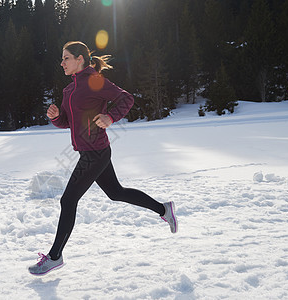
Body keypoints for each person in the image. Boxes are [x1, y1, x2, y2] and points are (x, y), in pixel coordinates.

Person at [28, 41, 178, 276]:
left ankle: (55, 256)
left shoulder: (93, 81)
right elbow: (69, 122)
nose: (62, 63)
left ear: (80, 59)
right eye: (62, 58)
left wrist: (110, 117)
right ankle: (163, 209)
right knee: (116, 192)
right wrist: (57, 118)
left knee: (68, 201)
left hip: (96, 152)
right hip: (90, 151)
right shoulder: (69, 90)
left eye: (66, 58)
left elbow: (127, 99)